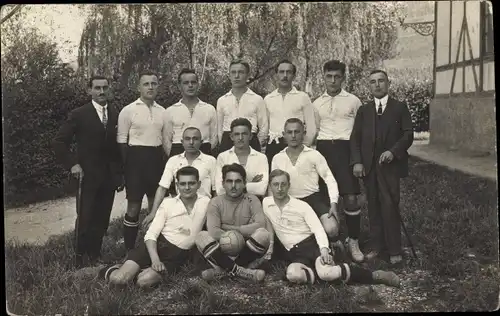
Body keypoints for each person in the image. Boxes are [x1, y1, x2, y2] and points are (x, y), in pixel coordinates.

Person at [263, 169, 400, 287]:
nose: (279, 188)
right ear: (270, 186)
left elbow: (318, 229)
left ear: (289, 186)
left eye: (283, 184)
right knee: (293, 275)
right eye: (275, 185)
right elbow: (269, 225)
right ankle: (324, 273)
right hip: (295, 253)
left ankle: (375, 276)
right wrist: (269, 248)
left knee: (326, 273)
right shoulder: (266, 203)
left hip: (313, 246)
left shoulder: (301, 206)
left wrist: (324, 250)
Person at [53, 75, 124, 268]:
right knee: (85, 217)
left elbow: (117, 148)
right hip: (87, 176)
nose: (102, 92)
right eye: (97, 88)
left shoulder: (116, 113)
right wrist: (72, 165)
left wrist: (118, 174)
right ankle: (78, 259)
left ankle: (95, 255)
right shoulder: (79, 114)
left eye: (105, 88)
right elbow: (59, 142)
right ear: (89, 90)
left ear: (109, 89)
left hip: (108, 176)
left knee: (102, 218)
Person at [98, 166, 209, 288]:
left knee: (144, 281)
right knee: (119, 280)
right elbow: (151, 235)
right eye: (183, 184)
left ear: (198, 184)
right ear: (177, 185)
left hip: (177, 256)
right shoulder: (168, 203)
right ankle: (111, 270)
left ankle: (137, 270)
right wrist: (155, 260)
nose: (187, 187)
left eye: (191, 183)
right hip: (156, 246)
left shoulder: (206, 202)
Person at [350, 69, 414, 265]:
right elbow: (356, 138)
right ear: (369, 86)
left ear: (388, 84)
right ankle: (377, 245)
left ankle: (394, 248)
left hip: (390, 166)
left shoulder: (399, 107)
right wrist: (358, 161)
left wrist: (393, 152)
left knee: (390, 205)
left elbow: (408, 134)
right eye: (373, 82)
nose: (377, 85)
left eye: (381, 81)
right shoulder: (364, 110)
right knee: (374, 205)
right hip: (370, 167)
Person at [313, 60, 364, 263]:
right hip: (324, 149)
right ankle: (332, 241)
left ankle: (354, 241)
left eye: (337, 76)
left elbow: (359, 132)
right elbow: (313, 131)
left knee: (350, 197)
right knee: (325, 198)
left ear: (343, 78)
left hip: (346, 150)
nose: (333, 80)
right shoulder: (315, 103)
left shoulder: (353, 101)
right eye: (329, 76)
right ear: (323, 77)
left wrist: (358, 158)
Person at [271, 118, 341, 249]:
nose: (293, 136)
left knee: (331, 228)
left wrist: (333, 204)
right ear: (283, 134)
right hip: (290, 201)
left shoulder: (314, 154)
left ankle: (335, 245)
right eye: (289, 132)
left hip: (313, 199)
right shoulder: (277, 158)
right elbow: (274, 186)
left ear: (304, 133)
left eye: (297, 132)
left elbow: (329, 179)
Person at [195, 163, 272, 283]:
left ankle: (223, 270)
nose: (233, 186)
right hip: (222, 250)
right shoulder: (215, 202)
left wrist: (226, 227)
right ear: (223, 183)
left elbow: (260, 225)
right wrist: (241, 232)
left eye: (238, 181)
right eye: (229, 181)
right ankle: (242, 271)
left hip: (247, 249)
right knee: (201, 237)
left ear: (244, 183)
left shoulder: (252, 199)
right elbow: (214, 232)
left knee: (263, 234)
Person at [117, 71, 166, 251]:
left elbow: (165, 140)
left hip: (156, 160)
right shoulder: (128, 110)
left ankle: (152, 246)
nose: (150, 87)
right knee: (134, 206)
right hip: (135, 162)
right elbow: (121, 140)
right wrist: (126, 168)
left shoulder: (163, 112)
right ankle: (130, 249)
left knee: (156, 205)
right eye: (146, 84)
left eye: (154, 83)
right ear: (139, 87)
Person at [142, 127, 216, 228]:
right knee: (153, 226)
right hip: (181, 208)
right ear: (182, 141)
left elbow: (216, 190)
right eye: (187, 139)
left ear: (201, 141)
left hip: (204, 208)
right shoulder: (173, 160)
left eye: (195, 139)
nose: (191, 142)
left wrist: (215, 213)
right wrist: (153, 212)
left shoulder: (210, 160)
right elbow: (162, 187)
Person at [264, 59, 316, 167]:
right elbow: (265, 127)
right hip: (274, 146)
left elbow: (311, 128)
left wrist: (303, 148)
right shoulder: (268, 99)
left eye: (288, 72)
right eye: (281, 72)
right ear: (276, 75)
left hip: (296, 145)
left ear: (294, 76)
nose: (285, 75)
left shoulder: (303, 97)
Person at [216, 59, 268, 153]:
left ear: (247, 75)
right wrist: (224, 143)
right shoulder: (222, 100)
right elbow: (219, 130)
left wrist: (255, 143)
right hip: (228, 142)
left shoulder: (257, 99)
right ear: (229, 75)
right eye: (233, 72)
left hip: (251, 141)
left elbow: (264, 127)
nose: (236, 76)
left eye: (241, 72)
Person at [163, 68, 217, 157]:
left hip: (204, 152)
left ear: (198, 84)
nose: (190, 85)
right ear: (179, 86)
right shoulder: (170, 111)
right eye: (186, 83)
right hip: (178, 153)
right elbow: (166, 140)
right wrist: (176, 158)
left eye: (193, 82)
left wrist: (205, 154)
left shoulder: (209, 109)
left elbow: (214, 138)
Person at [215, 118, 269, 198]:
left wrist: (231, 185)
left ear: (250, 136)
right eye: (237, 134)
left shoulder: (261, 157)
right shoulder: (223, 157)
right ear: (231, 137)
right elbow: (220, 189)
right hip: (228, 204)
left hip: (253, 202)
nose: (240, 138)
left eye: (244, 134)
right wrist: (251, 184)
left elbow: (262, 189)